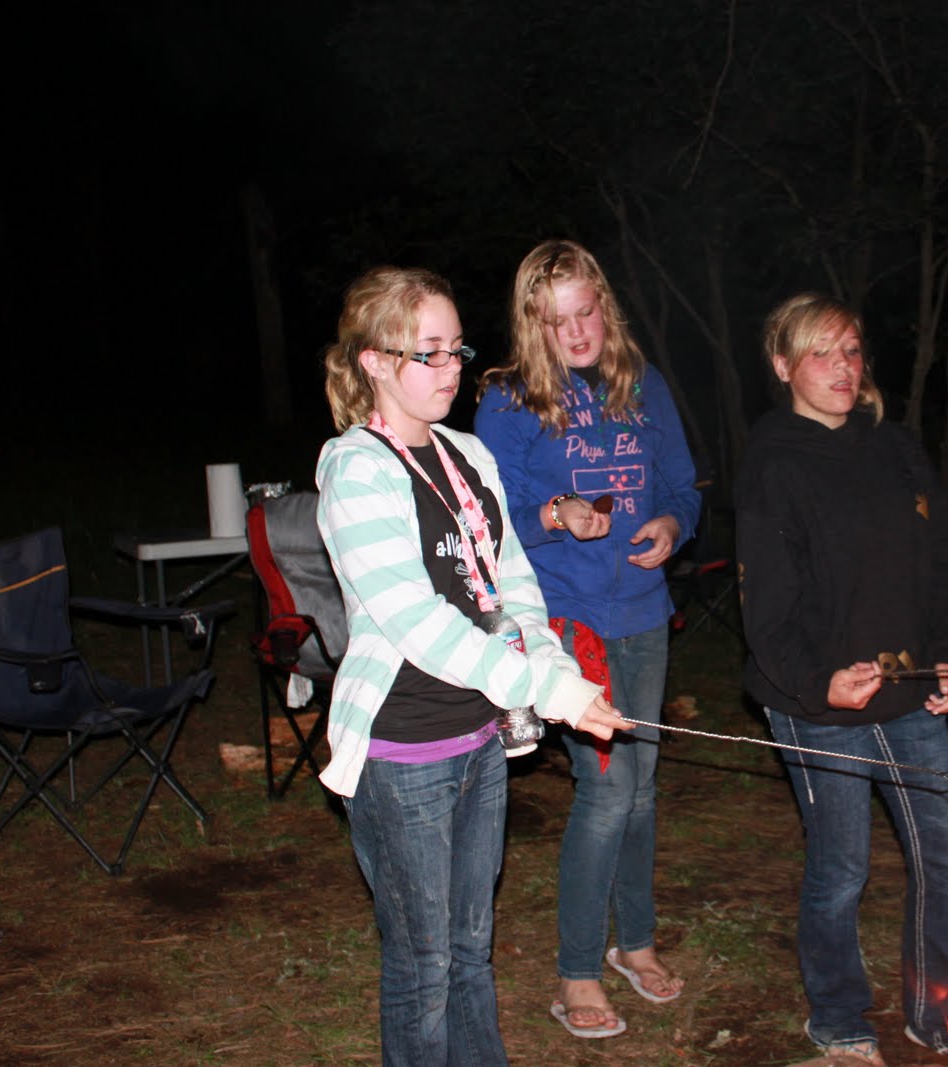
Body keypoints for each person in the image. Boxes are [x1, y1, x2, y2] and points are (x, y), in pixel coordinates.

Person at [315, 265, 630, 1066]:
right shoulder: (356, 468)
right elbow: (420, 623)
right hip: (404, 751)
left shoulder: (468, 456)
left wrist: (554, 667)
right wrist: (547, 687)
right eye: (428, 351)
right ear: (374, 362)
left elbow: (513, 587)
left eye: (456, 348)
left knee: (469, 948)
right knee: (422, 964)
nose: (451, 367)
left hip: (480, 740)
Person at [736, 293, 948, 1067]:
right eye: (821, 352)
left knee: (943, 853)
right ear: (784, 365)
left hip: (909, 686)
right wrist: (819, 683)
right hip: (817, 697)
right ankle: (840, 1019)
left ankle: (936, 1012)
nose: (842, 367)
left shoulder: (896, 447)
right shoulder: (774, 461)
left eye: (850, 350)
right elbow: (767, 604)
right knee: (842, 865)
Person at [474, 240, 700, 1039]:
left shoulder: (643, 386)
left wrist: (672, 524)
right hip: (564, 618)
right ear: (532, 324)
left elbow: (681, 487)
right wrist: (555, 512)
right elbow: (487, 517)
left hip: (643, 612)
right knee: (607, 789)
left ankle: (633, 942)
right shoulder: (508, 402)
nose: (575, 331)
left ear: (604, 305)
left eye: (585, 311)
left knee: (640, 787)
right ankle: (576, 970)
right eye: (555, 318)